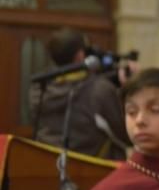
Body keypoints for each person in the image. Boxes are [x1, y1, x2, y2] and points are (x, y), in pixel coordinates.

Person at [30, 27, 130, 160]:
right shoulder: (99, 90)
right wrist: (129, 88)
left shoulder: (39, 88)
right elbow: (125, 135)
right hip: (91, 171)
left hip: (50, 166)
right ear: (80, 55)